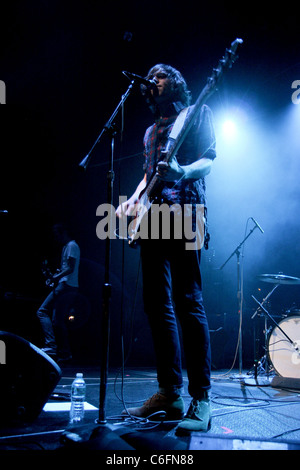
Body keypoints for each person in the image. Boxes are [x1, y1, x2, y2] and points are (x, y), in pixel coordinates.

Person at [116, 64, 216, 433]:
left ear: (175, 81)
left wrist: (182, 172)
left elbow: (209, 159)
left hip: (186, 208)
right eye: (151, 75)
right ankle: (169, 393)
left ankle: (202, 398)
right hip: (153, 218)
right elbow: (149, 174)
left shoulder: (197, 113)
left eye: (161, 73)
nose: (153, 77)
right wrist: (134, 200)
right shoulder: (148, 131)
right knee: (156, 305)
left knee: (188, 301)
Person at [37, 223, 80, 362]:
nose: (56, 237)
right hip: (67, 285)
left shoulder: (72, 246)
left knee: (42, 311)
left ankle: (51, 345)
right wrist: (56, 276)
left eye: (57, 234)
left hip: (67, 285)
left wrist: (56, 277)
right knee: (57, 321)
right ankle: (65, 352)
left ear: (64, 232)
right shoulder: (68, 247)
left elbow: (70, 268)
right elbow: (66, 268)